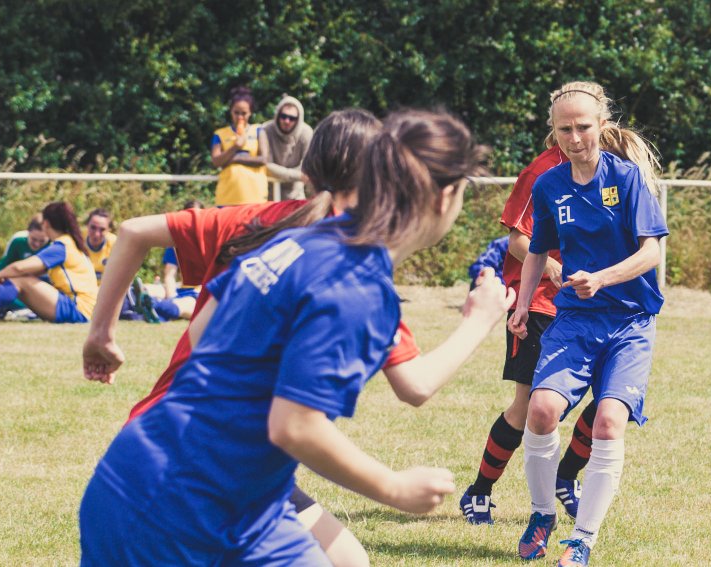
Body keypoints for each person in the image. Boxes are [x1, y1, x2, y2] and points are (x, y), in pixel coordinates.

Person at [79, 109, 494, 565]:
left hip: (172, 478)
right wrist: (395, 488)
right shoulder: (357, 284)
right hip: (181, 507)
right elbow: (294, 425)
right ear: (446, 196)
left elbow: (203, 331)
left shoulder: (296, 239)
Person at [510, 80, 668, 567]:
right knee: (540, 411)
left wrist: (601, 278)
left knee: (607, 421)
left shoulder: (627, 179)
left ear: (602, 125)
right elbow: (536, 249)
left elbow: (651, 251)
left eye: (583, 127)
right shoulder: (548, 185)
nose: (575, 137)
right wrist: (520, 304)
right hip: (575, 320)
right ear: (552, 133)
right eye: (564, 129)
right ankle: (541, 516)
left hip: (629, 323)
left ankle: (581, 540)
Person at [210, 86, 270, 206]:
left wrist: (234, 159)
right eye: (236, 113)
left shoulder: (258, 130)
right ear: (231, 111)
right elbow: (216, 161)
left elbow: (264, 159)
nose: (240, 117)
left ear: (250, 113)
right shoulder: (220, 134)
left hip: (255, 197)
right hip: (227, 197)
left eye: (244, 113)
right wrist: (235, 147)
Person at [261, 95, 314, 199]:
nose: (287, 121)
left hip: (296, 194)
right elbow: (266, 165)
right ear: (277, 115)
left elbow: (307, 167)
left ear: (299, 119)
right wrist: (297, 176)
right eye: (283, 116)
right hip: (269, 195)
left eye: (292, 118)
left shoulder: (306, 133)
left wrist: (283, 173)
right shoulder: (266, 130)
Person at [83, 209, 115, 280]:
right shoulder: (77, 240)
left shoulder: (115, 244)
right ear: (87, 225)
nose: (97, 234)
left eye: (102, 229)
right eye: (93, 228)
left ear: (109, 229)